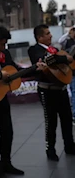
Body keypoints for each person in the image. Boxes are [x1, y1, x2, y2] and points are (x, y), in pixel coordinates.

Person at [0, 26, 45, 177]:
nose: (4, 47)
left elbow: (15, 70)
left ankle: (6, 162)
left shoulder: (5, 53)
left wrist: (34, 68)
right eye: (2, 44)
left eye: (5, 44)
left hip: (2, 97)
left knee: (7, 131)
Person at [28, 24, 75, 161]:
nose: (51, 36)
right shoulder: (34, 50)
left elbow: (58, 60)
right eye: (47, 33)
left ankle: (69, 145)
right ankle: (51, 149)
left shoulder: (54, 49)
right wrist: (65, 59)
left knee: (66, 118)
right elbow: (48, 60)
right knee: (51, 121)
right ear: (40, 37)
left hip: (61, 89)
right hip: (46, 90)